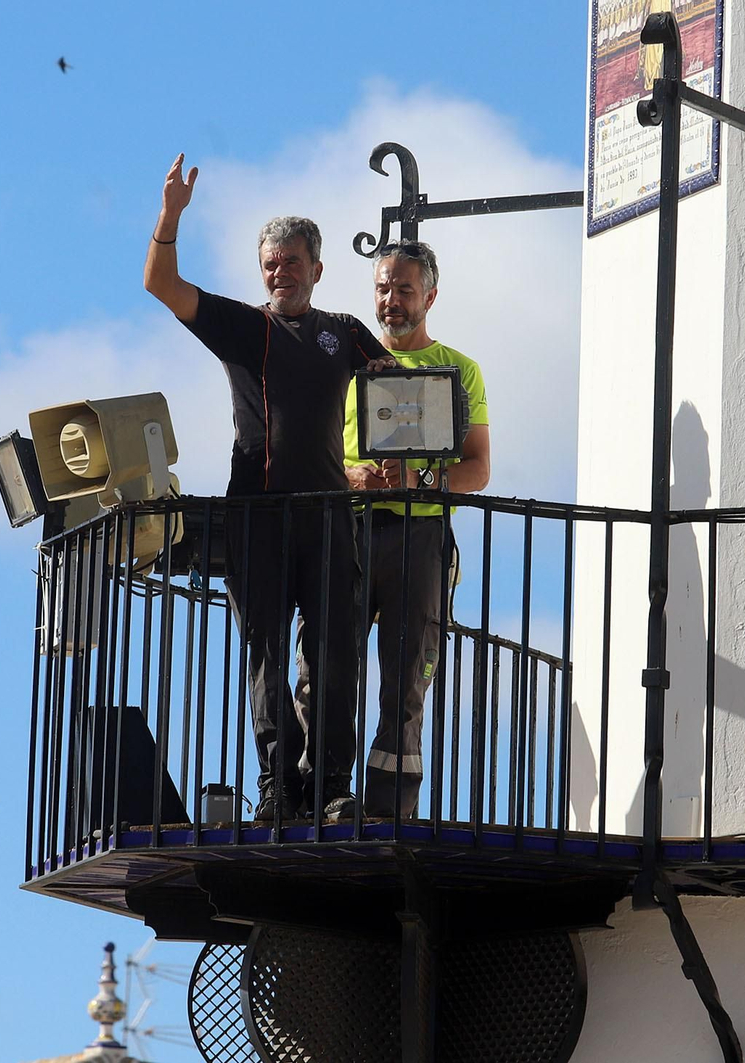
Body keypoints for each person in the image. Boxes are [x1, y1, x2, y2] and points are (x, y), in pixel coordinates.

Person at [142, 154, 390, 822]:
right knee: (264, 653)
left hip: (332, 517)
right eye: (269, 263)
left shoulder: (344, 332)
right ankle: (279, 779)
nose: (279, 272)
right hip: (257, 516)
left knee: (336, 653)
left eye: (290, 261)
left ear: (317, 265)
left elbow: (404, 393)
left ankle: (331, 781)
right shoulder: (246, 326)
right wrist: (171, 215)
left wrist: (388, 465)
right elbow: (161, 284)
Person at [299, 239, 491, 818]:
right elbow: (311, 451)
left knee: (408, 678)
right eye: (383, 288)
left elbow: (478, 468)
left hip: (422, 539)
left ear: (430, 295)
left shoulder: (460, 370)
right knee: (324, 664)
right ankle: (318, 797)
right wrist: (351, 477)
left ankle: (390, 810)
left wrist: (421, 481)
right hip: (348, 531)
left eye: (404, 289)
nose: (391, 300)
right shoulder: (342, 362)